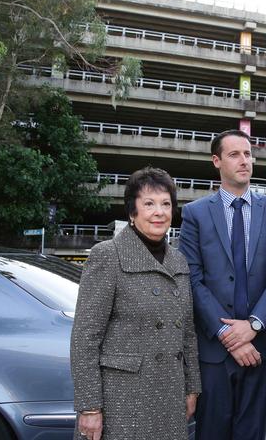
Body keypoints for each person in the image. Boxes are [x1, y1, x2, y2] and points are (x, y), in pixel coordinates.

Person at [70, 167, 201, 440]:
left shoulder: (178, 261)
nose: (159, 212)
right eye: (149, 204)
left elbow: (187, 332)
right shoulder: (108, 256)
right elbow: (85, 338)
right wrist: (90, 407)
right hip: (123, 399)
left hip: (169, 394)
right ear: (132, 212)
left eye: (166, 204)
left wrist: (191, 388)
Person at [179, 129, 266, 440]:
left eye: (247, 154)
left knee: (252, 434)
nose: (244, 161)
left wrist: (254, 325)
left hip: (261, 347)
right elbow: (192, 278)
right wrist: (229, 333)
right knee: (211, 433)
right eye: (234, 154)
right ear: (216, 161)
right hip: (214, 350)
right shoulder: (195, 214)